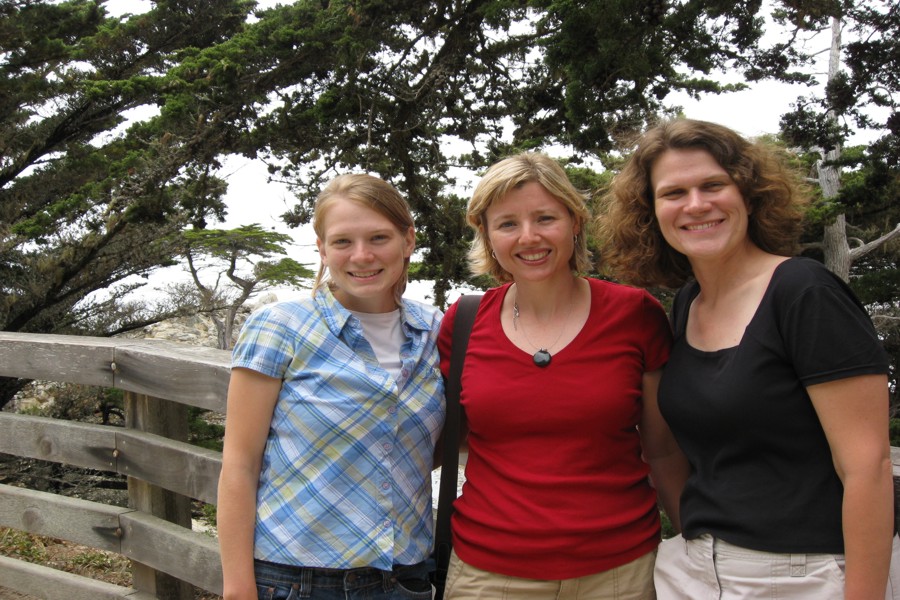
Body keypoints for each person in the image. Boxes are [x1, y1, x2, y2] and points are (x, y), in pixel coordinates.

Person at [599, 117, 900, 599]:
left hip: (805, 575)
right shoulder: (689, 303)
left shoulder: (803, 291)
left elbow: (868, 468)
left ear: (749, 194)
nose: (696, 204)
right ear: (651, 212)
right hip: (696, 571)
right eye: (673, 193)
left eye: (713, 185)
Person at [437, 152, 688, 599]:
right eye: (507, 223)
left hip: (621, 572)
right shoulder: (464, 322)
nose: (529, 237)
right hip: (488, 575)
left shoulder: (635, 315)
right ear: (487, 235)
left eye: (545, 218)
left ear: (575, 221)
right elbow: (442, 442)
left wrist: (691, 540)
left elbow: (663, 450)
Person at [216, 173, 444, 600]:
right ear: (321, 249)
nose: (362, 255)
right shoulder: (280, 326)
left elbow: (431, 443)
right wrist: (237, 588)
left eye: (378, 237)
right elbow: (239, 464)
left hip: (405, 579)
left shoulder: (435, 330)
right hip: (296, 580)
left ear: (408, 240)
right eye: (342, 242)